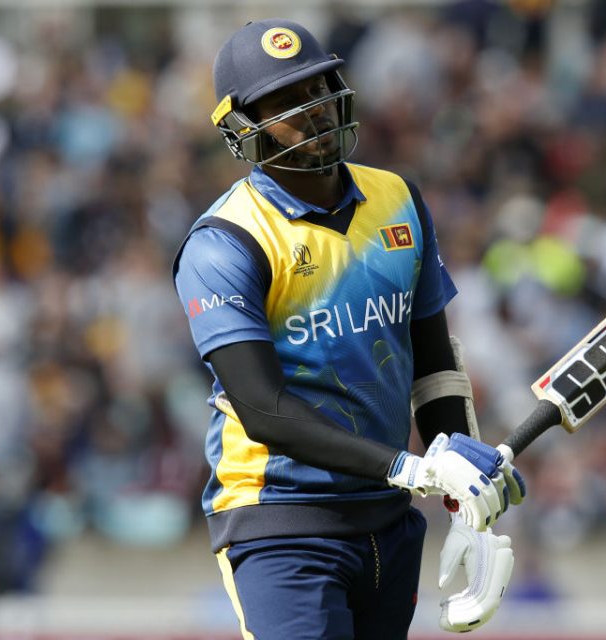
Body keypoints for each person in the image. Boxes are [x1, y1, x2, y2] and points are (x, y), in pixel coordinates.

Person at [172, 19, 526, 639]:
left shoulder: (398, 199)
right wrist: (414, 468)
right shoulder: (225, 241)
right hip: (279, 520)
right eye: (284, 104)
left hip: (387, 522)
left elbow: (434, 362)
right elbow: (264, 410)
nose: (311, 113)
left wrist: (464, 498)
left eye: (317, 89)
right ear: (242, 130)